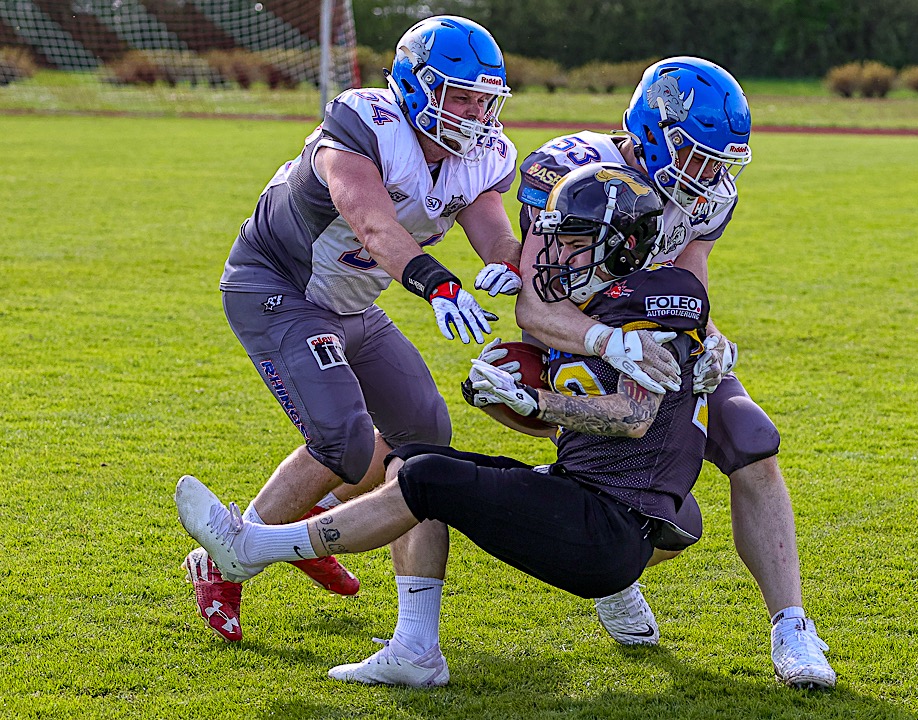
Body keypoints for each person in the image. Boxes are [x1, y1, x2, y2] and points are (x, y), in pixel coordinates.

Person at [175, 163, 712, 687]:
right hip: (591, 499)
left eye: (575, 242)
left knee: (425, 481)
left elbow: (635, 418)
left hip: (607, 526)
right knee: (413, 458)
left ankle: (251, 549)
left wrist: (535, 400)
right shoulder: (597, 301)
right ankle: (415, 648)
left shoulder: (655, 303)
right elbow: (581, 429)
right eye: (556, 239)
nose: (555, 255)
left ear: (625, 247)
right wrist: (507, 403)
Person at [181, 15, 526, 643]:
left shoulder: (480, 158)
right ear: (418, 87)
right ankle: (225, 559)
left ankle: (308, 534)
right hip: (279, 289)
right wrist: (440, 285)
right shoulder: (364, 125)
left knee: (425, 440)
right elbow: (372, 227)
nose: (476, 113)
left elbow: (496, 235)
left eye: (485, 97)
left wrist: (509, 265)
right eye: (462, 95)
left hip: (352, 302)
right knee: (344, 443)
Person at [513, 57, 836, 689]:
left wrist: (710, 340)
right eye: (697, 156)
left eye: (722, 161)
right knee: (664, 518)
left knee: (754, 445)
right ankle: (608, 572)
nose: (711, 175)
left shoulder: (708, 195)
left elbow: (685, 285)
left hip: (661, 336)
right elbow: (536, 304)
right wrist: (609, 342)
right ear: (656, 131)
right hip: (582, 343)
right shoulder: (574, 170)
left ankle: (793, 631)